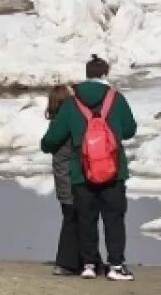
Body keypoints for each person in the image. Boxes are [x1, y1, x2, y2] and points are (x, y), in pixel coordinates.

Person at [41, 55, 138, 281]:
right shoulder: (116, 98)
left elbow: (54, 138)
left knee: (86, 219)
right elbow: (130, 130)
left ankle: (88, 265)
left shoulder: (72, 103)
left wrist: (47, 145)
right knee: (114, 219)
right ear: (105, 74)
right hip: (113, 171)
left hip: (81, 172)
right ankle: (115, 265)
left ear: (86, 74)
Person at [46, 84, 81, 276]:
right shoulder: (64, 124)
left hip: (63, 178)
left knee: (73, 218)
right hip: (70, 179)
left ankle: (80, 260)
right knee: (73, 219)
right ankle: (66, 262)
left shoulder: (57, 123)